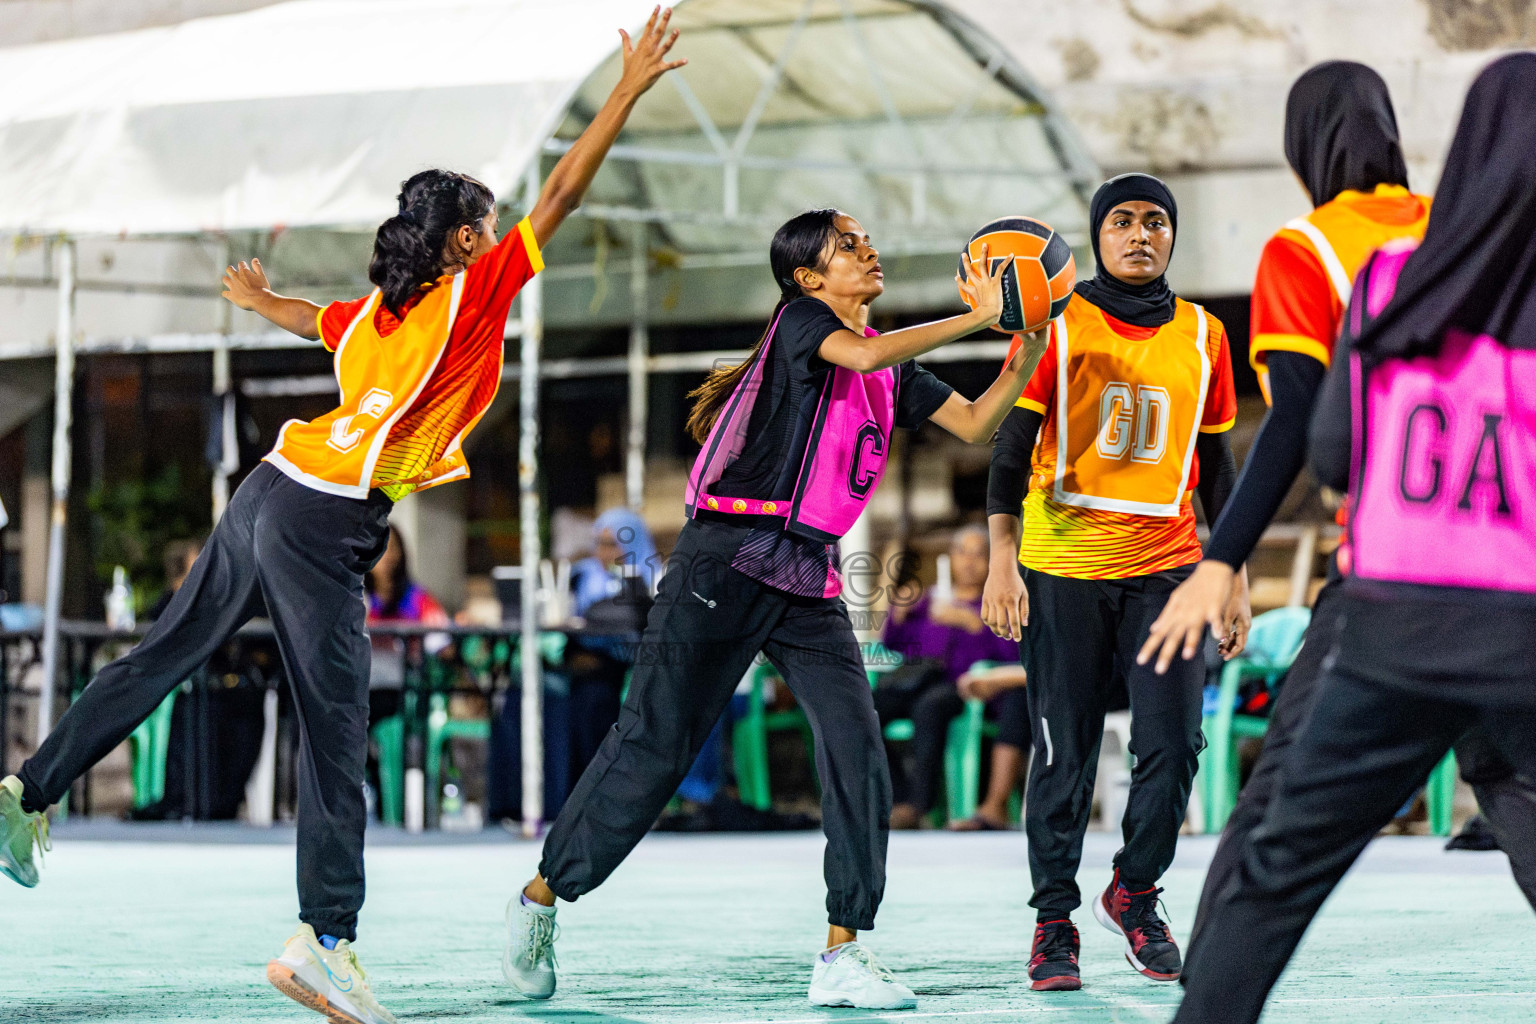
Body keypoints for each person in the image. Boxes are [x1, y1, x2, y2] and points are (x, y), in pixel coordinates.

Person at [0, 12, 685, 1024]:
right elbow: (563, 194)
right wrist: (624, 92)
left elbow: (311, 320)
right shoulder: (469, 297)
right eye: (482, 228)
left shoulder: (372, 318)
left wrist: (258, 299)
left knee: (161, 655)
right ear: (461, 240)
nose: (495, 239)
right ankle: (325, 942)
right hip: (323, 521)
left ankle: (27, 793)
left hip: (265, 490)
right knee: (335, 731)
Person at [504, 207, 1050, 1010]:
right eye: (847, 245)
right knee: (656, 744)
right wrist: (978, 312)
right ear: (807, 277)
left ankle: (842, 951)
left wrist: (1026, 342)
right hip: (721, 559)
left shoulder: (891, 374)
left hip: (806, 577)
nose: (868, 250)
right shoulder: (802, 324)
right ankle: (541, 898)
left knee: (857, 744)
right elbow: (862, 349)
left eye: (867, 239)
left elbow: (974, 422)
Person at [1137, 61, 1536, 965]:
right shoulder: (1466, 217)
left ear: (1302, 145)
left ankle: (1212, 975)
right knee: (1507, 775)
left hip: (1390, 571)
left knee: (1280, 795)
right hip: (1509, 570)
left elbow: (1299, 426)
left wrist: (1221, 555)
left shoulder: (1307, 247)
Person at [982, 173, 1245, 992]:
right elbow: (1006, 452)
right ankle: (1054, 921)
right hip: (1062, 569)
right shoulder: (1056, 325)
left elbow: (1218, 468)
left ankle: (1135, 890)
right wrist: (1000, 560)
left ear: (1172, 237)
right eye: (1122, 221)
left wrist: (1231, 575)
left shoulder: (1205, 334)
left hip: (1168, 568)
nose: (1140, 235)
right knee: (1064, 754)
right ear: (1096, 236)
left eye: (1155, 222)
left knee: (1174, 744)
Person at [875, 524, 1023, 829]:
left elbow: (1011, 657)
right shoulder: (931, 600)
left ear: (992, 561)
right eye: (962, 553)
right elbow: (893, 645)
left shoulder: (995, 603)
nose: (969, 561)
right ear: (951, 558)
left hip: (965, 687)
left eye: (978, 555)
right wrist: (897, 616)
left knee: (929, 708)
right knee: (867, 709)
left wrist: (974, 625)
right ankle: (898, 798)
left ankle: (919, 806)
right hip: (919, 679)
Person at [567, 508, 658, 779]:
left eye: (611, 544)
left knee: (594, 698)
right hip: (590, 667)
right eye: (599, 544)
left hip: (628, 670)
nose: (602, 553)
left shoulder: (650, 579)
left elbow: (635, 625)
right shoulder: (583, 578)